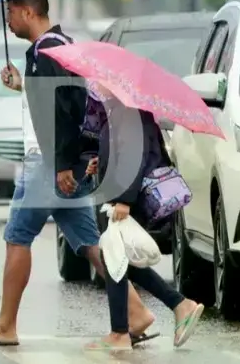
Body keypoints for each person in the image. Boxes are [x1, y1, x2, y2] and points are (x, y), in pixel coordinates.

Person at [0, 0, 154, 347]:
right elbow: (61, 102)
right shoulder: (61, 47)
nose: (8, 21)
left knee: (17, 237)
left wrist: (60, 165)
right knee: (90, 244)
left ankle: (6, 326)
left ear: (28, 11)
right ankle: (136, 312)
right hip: (64, 164)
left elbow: (62, 112)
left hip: (48, 164)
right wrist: (22, 85)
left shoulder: (45, 54)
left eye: (10, 12)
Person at [87, 97, 204, 351]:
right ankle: (179, 305)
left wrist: (124, 200)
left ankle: (120, 332)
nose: (96, 84)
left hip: (131, 196)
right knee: (119, 259)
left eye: (102, 78)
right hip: (125, 193)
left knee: (115, 257)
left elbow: (134, 155)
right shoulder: (119, 107)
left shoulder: (126, 109)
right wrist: (101, 163)